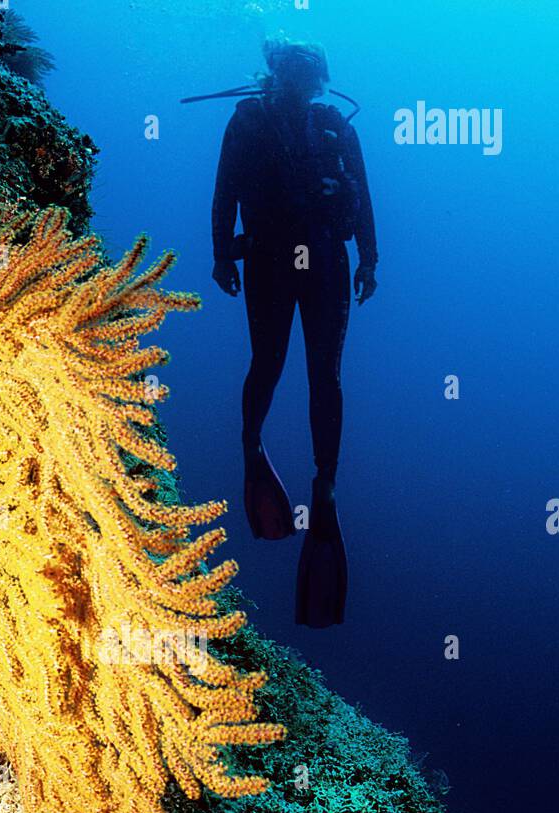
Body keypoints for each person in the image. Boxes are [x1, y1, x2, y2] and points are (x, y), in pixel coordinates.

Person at [211, 40, 378, 626]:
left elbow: (361, 193)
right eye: (293, 75)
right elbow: (226, 187)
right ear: (275, 74)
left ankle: (321, 482)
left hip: (322, 259)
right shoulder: (248, 119)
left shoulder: (333, 126)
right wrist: (220, 255)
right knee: (273, 362)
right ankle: (255, 447)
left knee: (318, 375)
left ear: (318, 82)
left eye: (308, 79)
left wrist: (370, 257)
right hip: (273, 258)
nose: (300, 86)